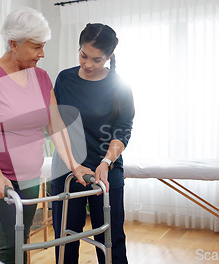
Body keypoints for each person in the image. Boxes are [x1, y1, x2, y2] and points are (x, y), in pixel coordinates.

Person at [0, 8, 93, 264]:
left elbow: (55, 125)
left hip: (30, 175)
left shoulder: (41, 77)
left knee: (23, 239)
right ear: (14, 44)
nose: (42, 53)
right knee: (11, 246)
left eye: (43, 46)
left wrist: (74, 164)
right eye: (36, 46)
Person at [51, 23, 135, 264]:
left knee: (112, 239)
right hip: (67, 169)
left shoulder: (120, 87)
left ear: (109, 57)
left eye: (97, 60)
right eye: (83, 55)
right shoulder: (65, 79)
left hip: (105, 171)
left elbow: (123, 130)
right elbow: (56, 124)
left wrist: (106, 162)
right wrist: (72, 163)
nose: (87, 64)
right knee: (65, 240)